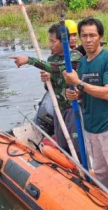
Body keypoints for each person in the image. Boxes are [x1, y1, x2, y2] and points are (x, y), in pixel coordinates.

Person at [63, 17, 108, 207]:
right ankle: (106, 206)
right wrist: (74, 93)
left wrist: (78, 83)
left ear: (100, 37)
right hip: (91, 126)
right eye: (84, 35)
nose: (88, 39)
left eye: (92, 35)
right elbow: (84, 93)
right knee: (100, 172)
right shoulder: (83, 63)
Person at [11, 24, 83, 153]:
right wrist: (47, 80)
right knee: (62, 142)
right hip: (58, 108)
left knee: (76, 143)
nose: (50, 45)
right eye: (49, 41)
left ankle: (84, 169)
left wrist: (29, 60)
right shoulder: (52, 58)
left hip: (73, 108)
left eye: (53, 41)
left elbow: (57, 68)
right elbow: (50, 87)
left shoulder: (75, 56)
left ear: (63, 41)